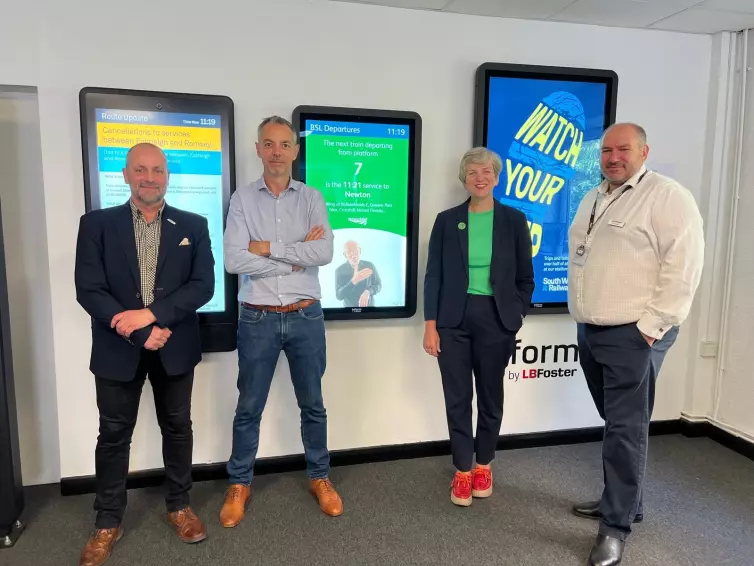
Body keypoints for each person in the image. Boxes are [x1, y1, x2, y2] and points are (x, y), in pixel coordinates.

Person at [567, 123, 704, 566]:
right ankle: (626, 501)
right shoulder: (595, 196)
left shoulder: (668, 197)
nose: (612, 157)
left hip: (633, 334)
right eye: (606, 150)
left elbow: (683, 268)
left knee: (625, 429)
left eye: (622, 149)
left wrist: (650, 328)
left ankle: (615, 528)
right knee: (617, 421)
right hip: (592, 330)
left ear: (644, 151)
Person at [74, 142, 215, 566]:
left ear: (167, 175)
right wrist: (138, 333)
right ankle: (107, 522)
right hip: (119, 351)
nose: (149, 177)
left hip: (175, 345)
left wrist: (151, 318)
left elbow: (202, 286)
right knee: (114, 435)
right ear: (126, 175)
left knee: (177, 428)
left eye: (156, 169)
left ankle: (179, 506)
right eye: (140, 169)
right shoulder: (96, 224)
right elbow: (90, 290)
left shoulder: (193, 223)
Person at [221, 115, 342, 526]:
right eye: (268, 144)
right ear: (258, 149)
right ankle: (239, 483)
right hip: (257, 317)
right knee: (248, 407)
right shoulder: (241, 199)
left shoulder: (311, 198)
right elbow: (235, 259)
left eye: (284, 144)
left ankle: (320, 477)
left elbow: (324, 252)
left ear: (295, 150)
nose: (276, 152)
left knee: (313, 405)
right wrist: (291, 261)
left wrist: (268, 249)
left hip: (306, 315)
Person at [423, 146, 535, 507]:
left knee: (490, 396)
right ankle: (461, 470)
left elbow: (525, 278)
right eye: (473, 172)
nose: (480, 178)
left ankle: (483, 464)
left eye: (487, 171)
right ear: (464, 178)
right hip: (453, 320)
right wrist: (430, 325)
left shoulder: (514, 220)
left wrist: (515, 313)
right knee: (457, 398)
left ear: (497, 177)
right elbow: (434, 276)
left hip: (496, 319)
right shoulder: (447, 220)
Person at [334, 240, 382, 307]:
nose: (353, 254)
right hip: (349, 312)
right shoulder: (339, 270)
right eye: (349, 251)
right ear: (345, 255)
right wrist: (353, 281)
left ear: (360, 251)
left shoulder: (369, 265)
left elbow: (378, 285)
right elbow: (339, 296)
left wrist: (368, 291)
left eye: (355, 250)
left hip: (370, 311)